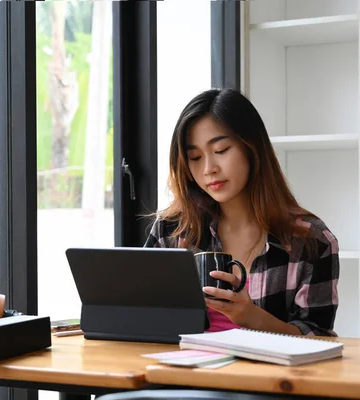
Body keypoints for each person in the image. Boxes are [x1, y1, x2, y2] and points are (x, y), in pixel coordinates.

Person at [144, 88, 339, 337]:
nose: (208, 169)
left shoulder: (312, 240)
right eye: (194, 157)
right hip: (181, 373)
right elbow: (143, 314)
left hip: (265, 376)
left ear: (252, 148)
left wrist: (252, 318)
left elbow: (319, 339)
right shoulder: (170, 231)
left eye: (221, 150)